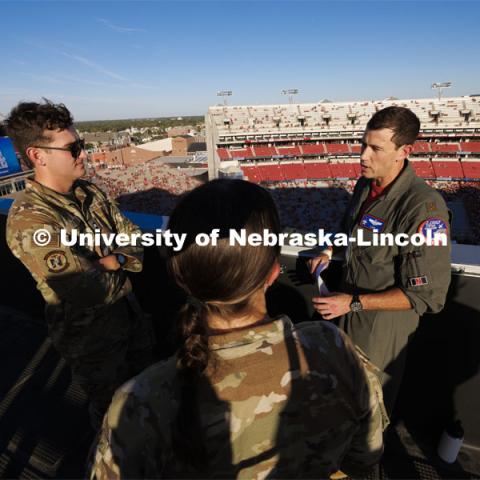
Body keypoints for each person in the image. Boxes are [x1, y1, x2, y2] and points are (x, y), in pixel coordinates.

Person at [90, 179, 385, 479]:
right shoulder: (335, 350)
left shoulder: (138, 402)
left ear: (179, 278)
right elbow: (365, 457)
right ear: (273, 273)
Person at [5, 100, 156, 429]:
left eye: (82, 145)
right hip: (94, 345)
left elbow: (135, 236)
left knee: (148, 405)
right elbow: (88, 290)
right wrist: (120, 260)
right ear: (37, 155)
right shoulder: (31, 220)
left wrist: (111, 261)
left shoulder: (89, 192)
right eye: (73, 148)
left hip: (132, 320)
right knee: (113, 424)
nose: (84, 154)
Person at [309, 106, 452, 415]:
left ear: (404, 151)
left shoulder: (424, 208)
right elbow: (349, 229)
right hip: (347, 312)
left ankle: (366, 464)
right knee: (340, 402)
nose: (363, 155)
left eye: (375, 148)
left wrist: (353, 303)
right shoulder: (366, 184)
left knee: (368, 411)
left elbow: (429, 295)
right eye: (363, 144)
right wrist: (329, 251)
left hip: (380, 331)